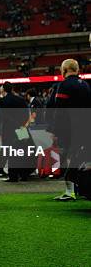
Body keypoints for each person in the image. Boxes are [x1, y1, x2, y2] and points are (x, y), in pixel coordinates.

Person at [47, 59, 91, 201]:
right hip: (85, 128)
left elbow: (60, 111)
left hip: (69, 129)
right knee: (82, 158)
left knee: (67, 158)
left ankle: (69, 191)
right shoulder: (85, 85)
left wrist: (55, 131)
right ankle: (81, 189)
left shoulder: (64, 85)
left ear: (64, 70)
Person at [0, 82, 32, 182]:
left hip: (8, 130)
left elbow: (2, 117)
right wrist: (22, 125)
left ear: (4, 90)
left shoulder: (2, 101)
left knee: (11, 152)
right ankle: (24, 174)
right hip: (21, 128)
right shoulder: (21, 100)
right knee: (22, 151)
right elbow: (26, 114)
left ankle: (13, 176)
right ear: (12, 89)